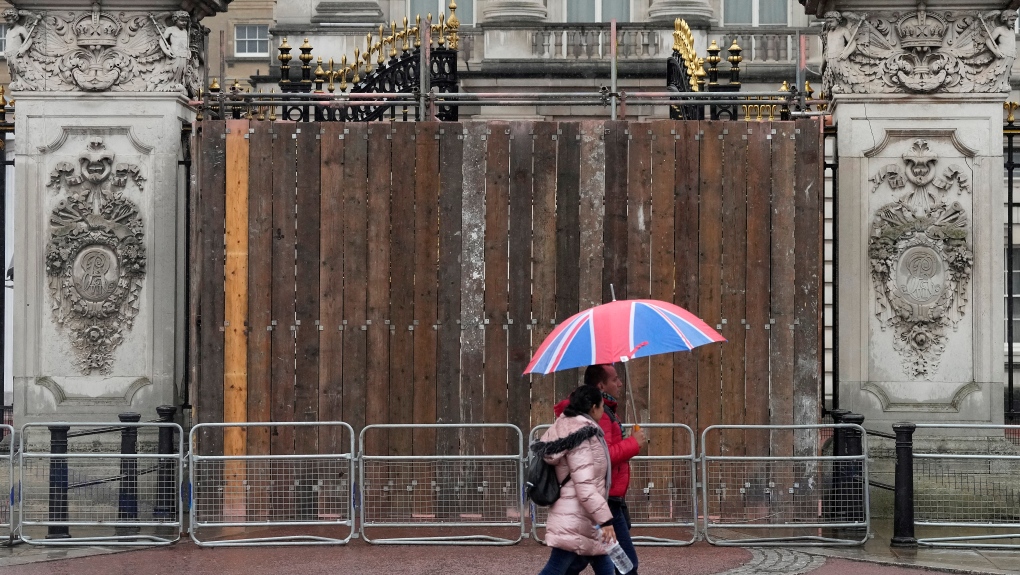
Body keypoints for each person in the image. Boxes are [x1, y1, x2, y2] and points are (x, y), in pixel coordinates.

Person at [554, 364, 645, 575]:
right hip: (606, 499)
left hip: (606, 498)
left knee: (587, 561)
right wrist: (633, 443)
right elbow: (601, 457)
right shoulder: (599, 415)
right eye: (614, 379)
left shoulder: (606, 413)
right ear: (601, 385)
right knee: (625, 564)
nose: (620, 384)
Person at [534, 385, 617, 575]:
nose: (603, 411)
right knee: (556, 568)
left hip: (580, 515)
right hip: (578, 517)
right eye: (602, 406)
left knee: (603, 564)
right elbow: (585, 487)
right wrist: (605, 520)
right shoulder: (583, 437)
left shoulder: (568, 429)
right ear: (593, 407)